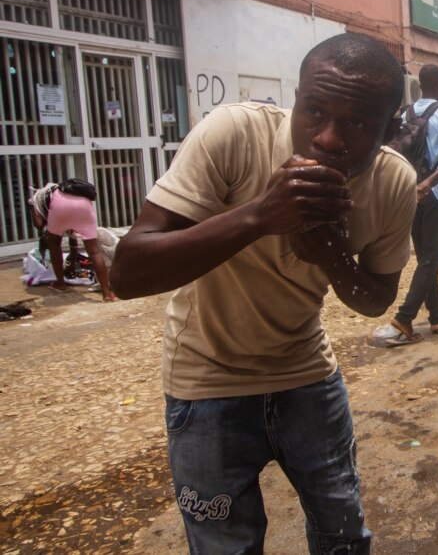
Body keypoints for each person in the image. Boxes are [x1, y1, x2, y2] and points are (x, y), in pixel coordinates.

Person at [109, 33, 415, 554]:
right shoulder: (233, 135)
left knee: (343, 533)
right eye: (314, 111)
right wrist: (257, 216)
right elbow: (128, 272)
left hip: (306, 373)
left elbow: (375, 301)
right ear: (295, 102)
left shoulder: (392, 182)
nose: (327, 139)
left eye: (357, 123)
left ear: (390, 129)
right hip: (205, 379)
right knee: (225, 544)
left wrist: (334, 255)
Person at [381, 64, 438, 345]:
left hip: (409, 192)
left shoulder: (405, 113)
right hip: (436, 193)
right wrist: (432, 182)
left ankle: (437, 318)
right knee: (433, 259)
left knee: (426, 257)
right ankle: (404, 318)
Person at [28, 183, 116, 301]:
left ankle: (60, 284)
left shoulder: (37, 198)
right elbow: (72, 239)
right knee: (94, 252)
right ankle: (107, 294)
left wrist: (32, 207)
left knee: (54, 244)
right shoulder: (71, 193)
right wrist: (72, 265)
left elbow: (39, 225)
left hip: (59, 207)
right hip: (85, 208)